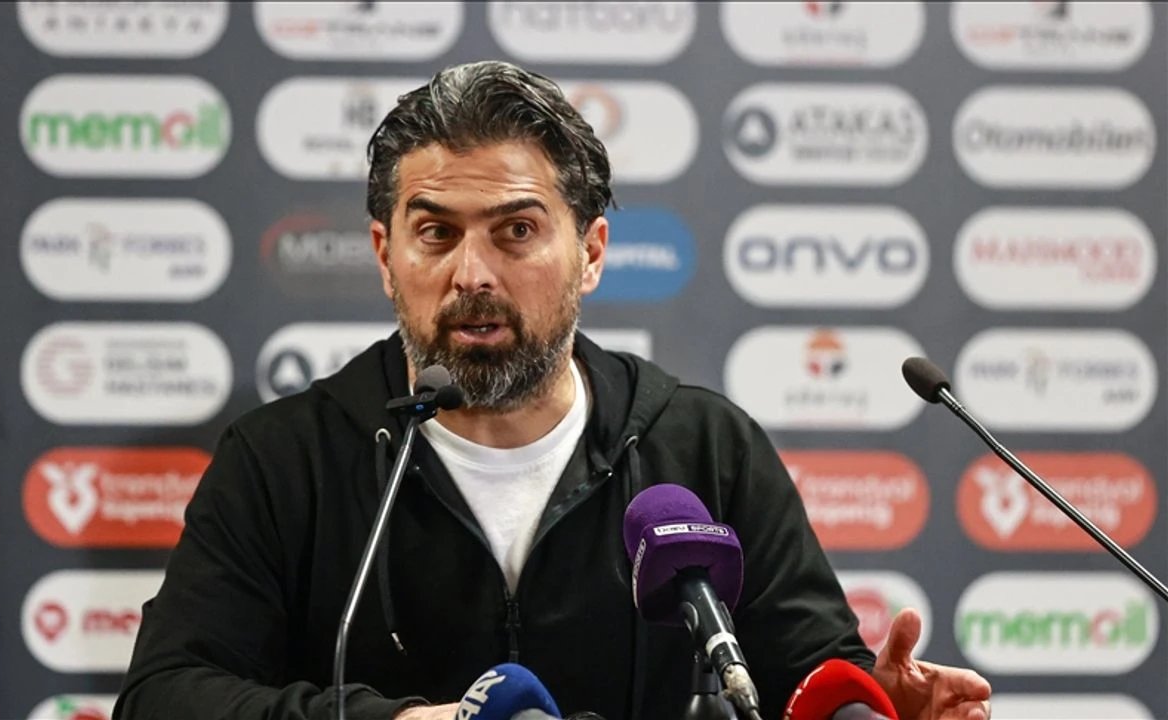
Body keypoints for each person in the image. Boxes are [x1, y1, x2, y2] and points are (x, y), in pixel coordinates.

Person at [115, 61, 991, 720]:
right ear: (385, 255)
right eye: (435, 233)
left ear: (592, 252)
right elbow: (164, 696)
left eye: (516, 231)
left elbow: (807, 675)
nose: (472, 273)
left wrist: (867, 705)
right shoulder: (285, 461)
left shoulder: (704, 448)